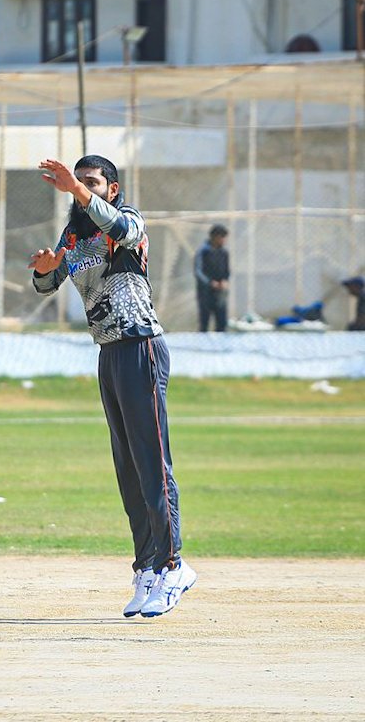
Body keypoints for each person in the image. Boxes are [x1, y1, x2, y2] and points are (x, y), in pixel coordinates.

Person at [30, 156, 196, 619]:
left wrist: (77, 191)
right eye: (78, 180)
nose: (80, 187)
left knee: (152, 464)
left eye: (91, 182)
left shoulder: (127, 219)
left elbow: (122, 229)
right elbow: (48, 285)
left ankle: (173, 565)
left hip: (141, 346)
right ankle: (147, 568)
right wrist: (44, 269)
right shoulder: (74, 236)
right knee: (128, 469)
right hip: (109, 352)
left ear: (112, 189)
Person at [194, 224, 230, 332]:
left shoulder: (224, 253)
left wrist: (224, 281)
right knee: (204, 322)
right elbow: (198, 271)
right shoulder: (203, 252)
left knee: (221, 322)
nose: (224, 240)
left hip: (219, 292)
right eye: (222, 237)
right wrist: (210, 283)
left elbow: (227, 271)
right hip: (205, 293)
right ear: (215, 237)